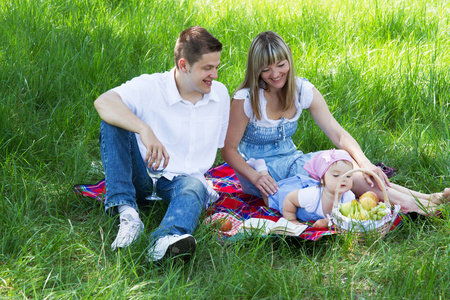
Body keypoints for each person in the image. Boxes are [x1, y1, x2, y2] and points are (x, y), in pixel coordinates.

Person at [221, 31, 450, 216]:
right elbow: (228, 151)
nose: (275, 74)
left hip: (293, 160)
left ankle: (426, 198)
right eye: (266, 69)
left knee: (349, 165)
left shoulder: (302, 91)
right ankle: (420, 207)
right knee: (341, 174)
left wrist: (366, 163)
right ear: (256, 68)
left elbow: (336, 132)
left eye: (280, 65)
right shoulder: (247, 99)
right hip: (264, 175)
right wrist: (255, 177)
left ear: (289, 57)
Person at [94, 26, 230, 262]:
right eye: (207, 68)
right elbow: (104, 102)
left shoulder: (220, 95)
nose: (215, 75)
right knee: (112, 122)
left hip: (184, 183)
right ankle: (128, 216)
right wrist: (144, 129)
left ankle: (164, 242)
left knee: (193, 187)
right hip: (143, 175)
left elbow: (221, 146)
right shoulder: (151, 86)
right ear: (183, 65)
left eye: (216, 67)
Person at [264, 149, 355, 228]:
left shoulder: (349, 197)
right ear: (322, 179)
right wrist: (291, 220)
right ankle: (262, 170)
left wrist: (326, 221)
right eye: (336, 175)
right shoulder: (312, 196)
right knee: (269, 197)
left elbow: (342, 217)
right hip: (289, 199)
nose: (343, 180)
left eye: (348, 176)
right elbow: (290, 199)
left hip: (302, 200)